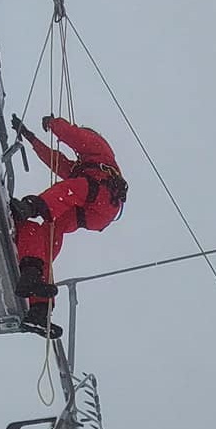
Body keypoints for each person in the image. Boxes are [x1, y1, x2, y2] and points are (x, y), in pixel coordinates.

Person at [9, 116, 128, 336]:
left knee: (72, 188)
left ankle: (31, 207)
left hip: (102, 199)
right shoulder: (83, 167)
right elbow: (56, 161)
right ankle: (38, 298)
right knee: (47, 232)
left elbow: (75, 136)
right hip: (89, 212)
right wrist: (31, 138)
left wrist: (54, 124)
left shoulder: (100, 149)